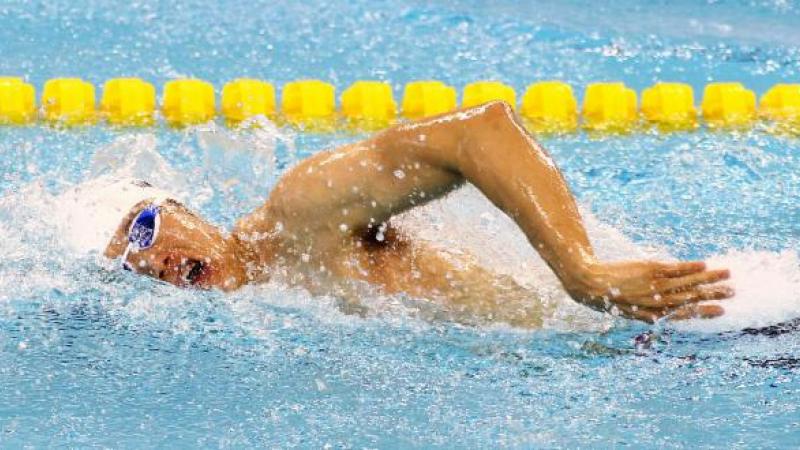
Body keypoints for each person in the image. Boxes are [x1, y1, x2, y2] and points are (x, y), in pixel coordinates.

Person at [100, 101, 732, 326]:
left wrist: (581, 271)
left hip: (688, 320)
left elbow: (480, 132)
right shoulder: (276, 299)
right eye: (131, 266)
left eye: (144, 227)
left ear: (186, 210)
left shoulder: (296, 214)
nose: (150, 260)